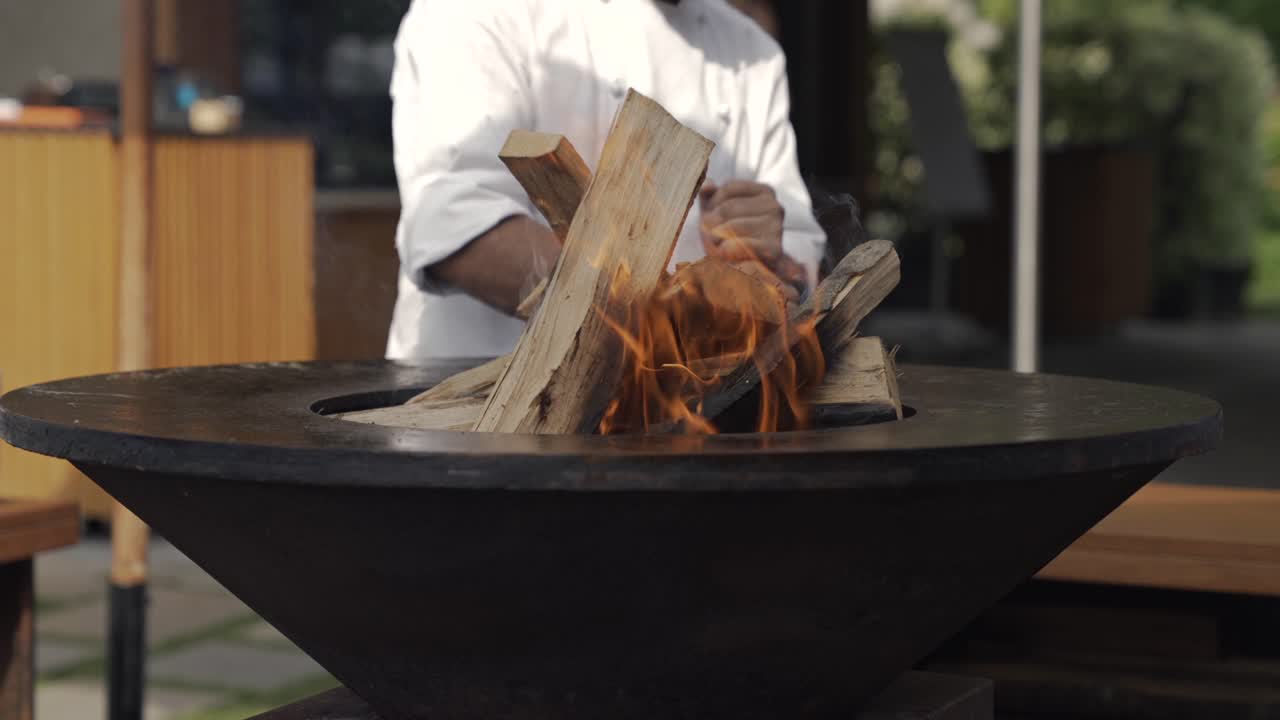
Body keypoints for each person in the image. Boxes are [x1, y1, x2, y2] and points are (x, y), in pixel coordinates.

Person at [387, 0, 825, 359]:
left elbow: (799, 258)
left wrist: (770, 257)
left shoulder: (751, 50)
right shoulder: (475, 12)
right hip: (475, 419)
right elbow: (452, 222)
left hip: (688, 416)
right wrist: (644, 313)